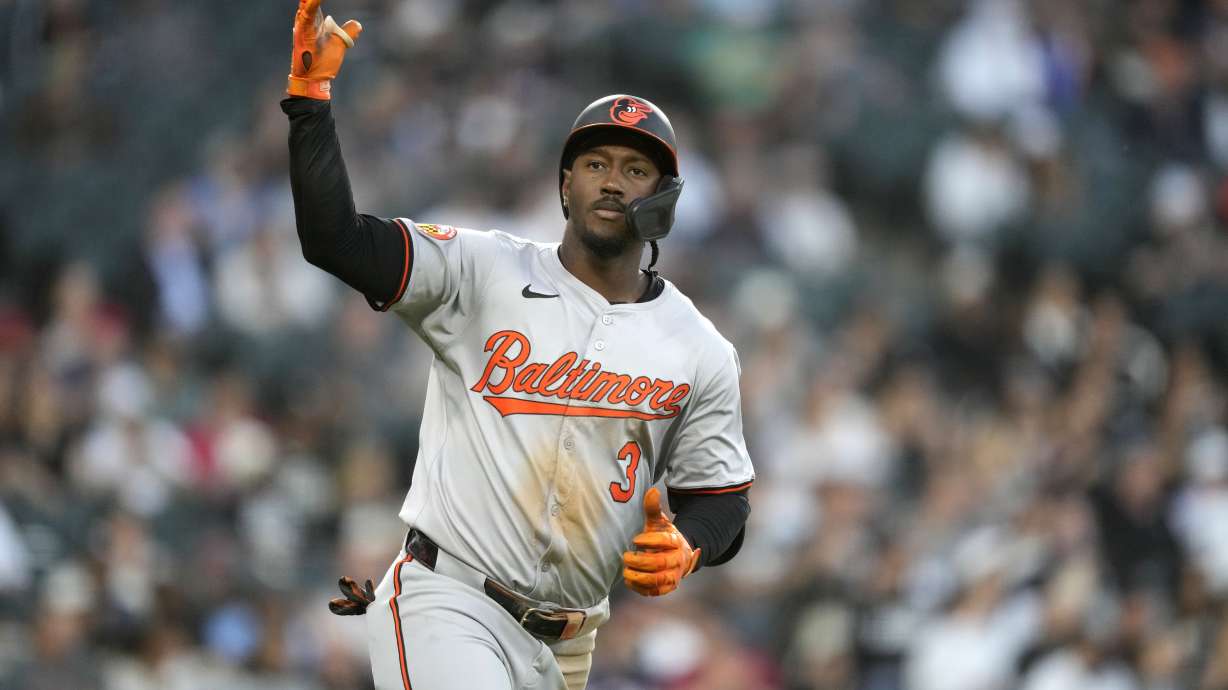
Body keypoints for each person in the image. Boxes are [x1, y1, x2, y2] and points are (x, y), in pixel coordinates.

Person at [281, 2, 754, 688]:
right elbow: (338, 240)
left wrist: (689, 547)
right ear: (565, 184)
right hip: (449, 601)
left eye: (635, 168)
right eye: (595, 162)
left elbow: (723, 500)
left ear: (667, 199)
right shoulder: (482, 269)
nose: (613, 180)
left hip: (568, 644)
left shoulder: (699, 348)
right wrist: (310, 106)